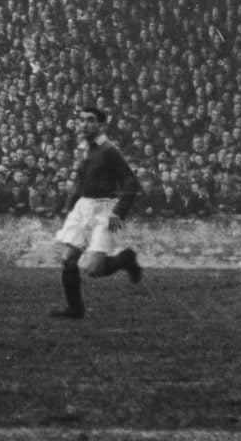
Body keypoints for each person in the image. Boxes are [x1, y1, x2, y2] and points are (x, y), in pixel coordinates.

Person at [51, 106, 142, 320]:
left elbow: (131, 183)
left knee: (94, 269)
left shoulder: (109, 149)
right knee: (67, 260)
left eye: (90, 120)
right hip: (84, 206)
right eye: (82, 120)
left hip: (104, 209)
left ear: (101, 125)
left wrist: (119, 212)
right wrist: (69, 203)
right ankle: (75, 310)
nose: (84, 124)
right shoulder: (86, 148)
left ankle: (125, 259)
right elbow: (82, 180)